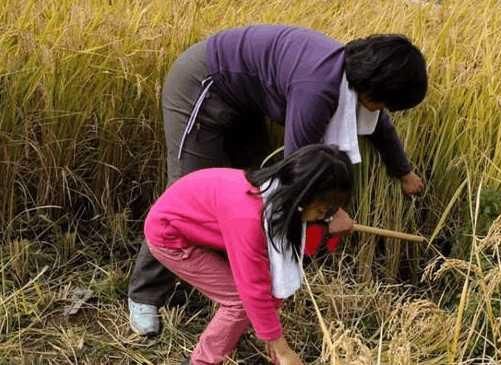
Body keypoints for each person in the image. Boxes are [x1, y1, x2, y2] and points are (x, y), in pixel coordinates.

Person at [128, 24, 428, 335]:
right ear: (372, 87)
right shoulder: (318, 88)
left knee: (255, 195)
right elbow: (297, 172)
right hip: (203, 87)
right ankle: (143, 296)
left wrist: (403, 171)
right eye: (384, 102)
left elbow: (379, 124)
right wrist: (332, 212)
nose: (382, 110)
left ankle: (229, 286)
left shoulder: (355, 75)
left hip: (245, 101)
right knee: (182, 194)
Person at [144, 145, 353, 364]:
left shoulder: (275, 193)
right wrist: (282, 349)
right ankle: (201, 361)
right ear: (301, 193)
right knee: (239, 301)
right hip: (169, 235)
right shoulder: (249, 218)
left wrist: (330, 216)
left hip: (199, 225)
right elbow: (253, 289)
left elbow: (275, 266)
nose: (322, 216)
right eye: (322, 210)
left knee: (251, 294)